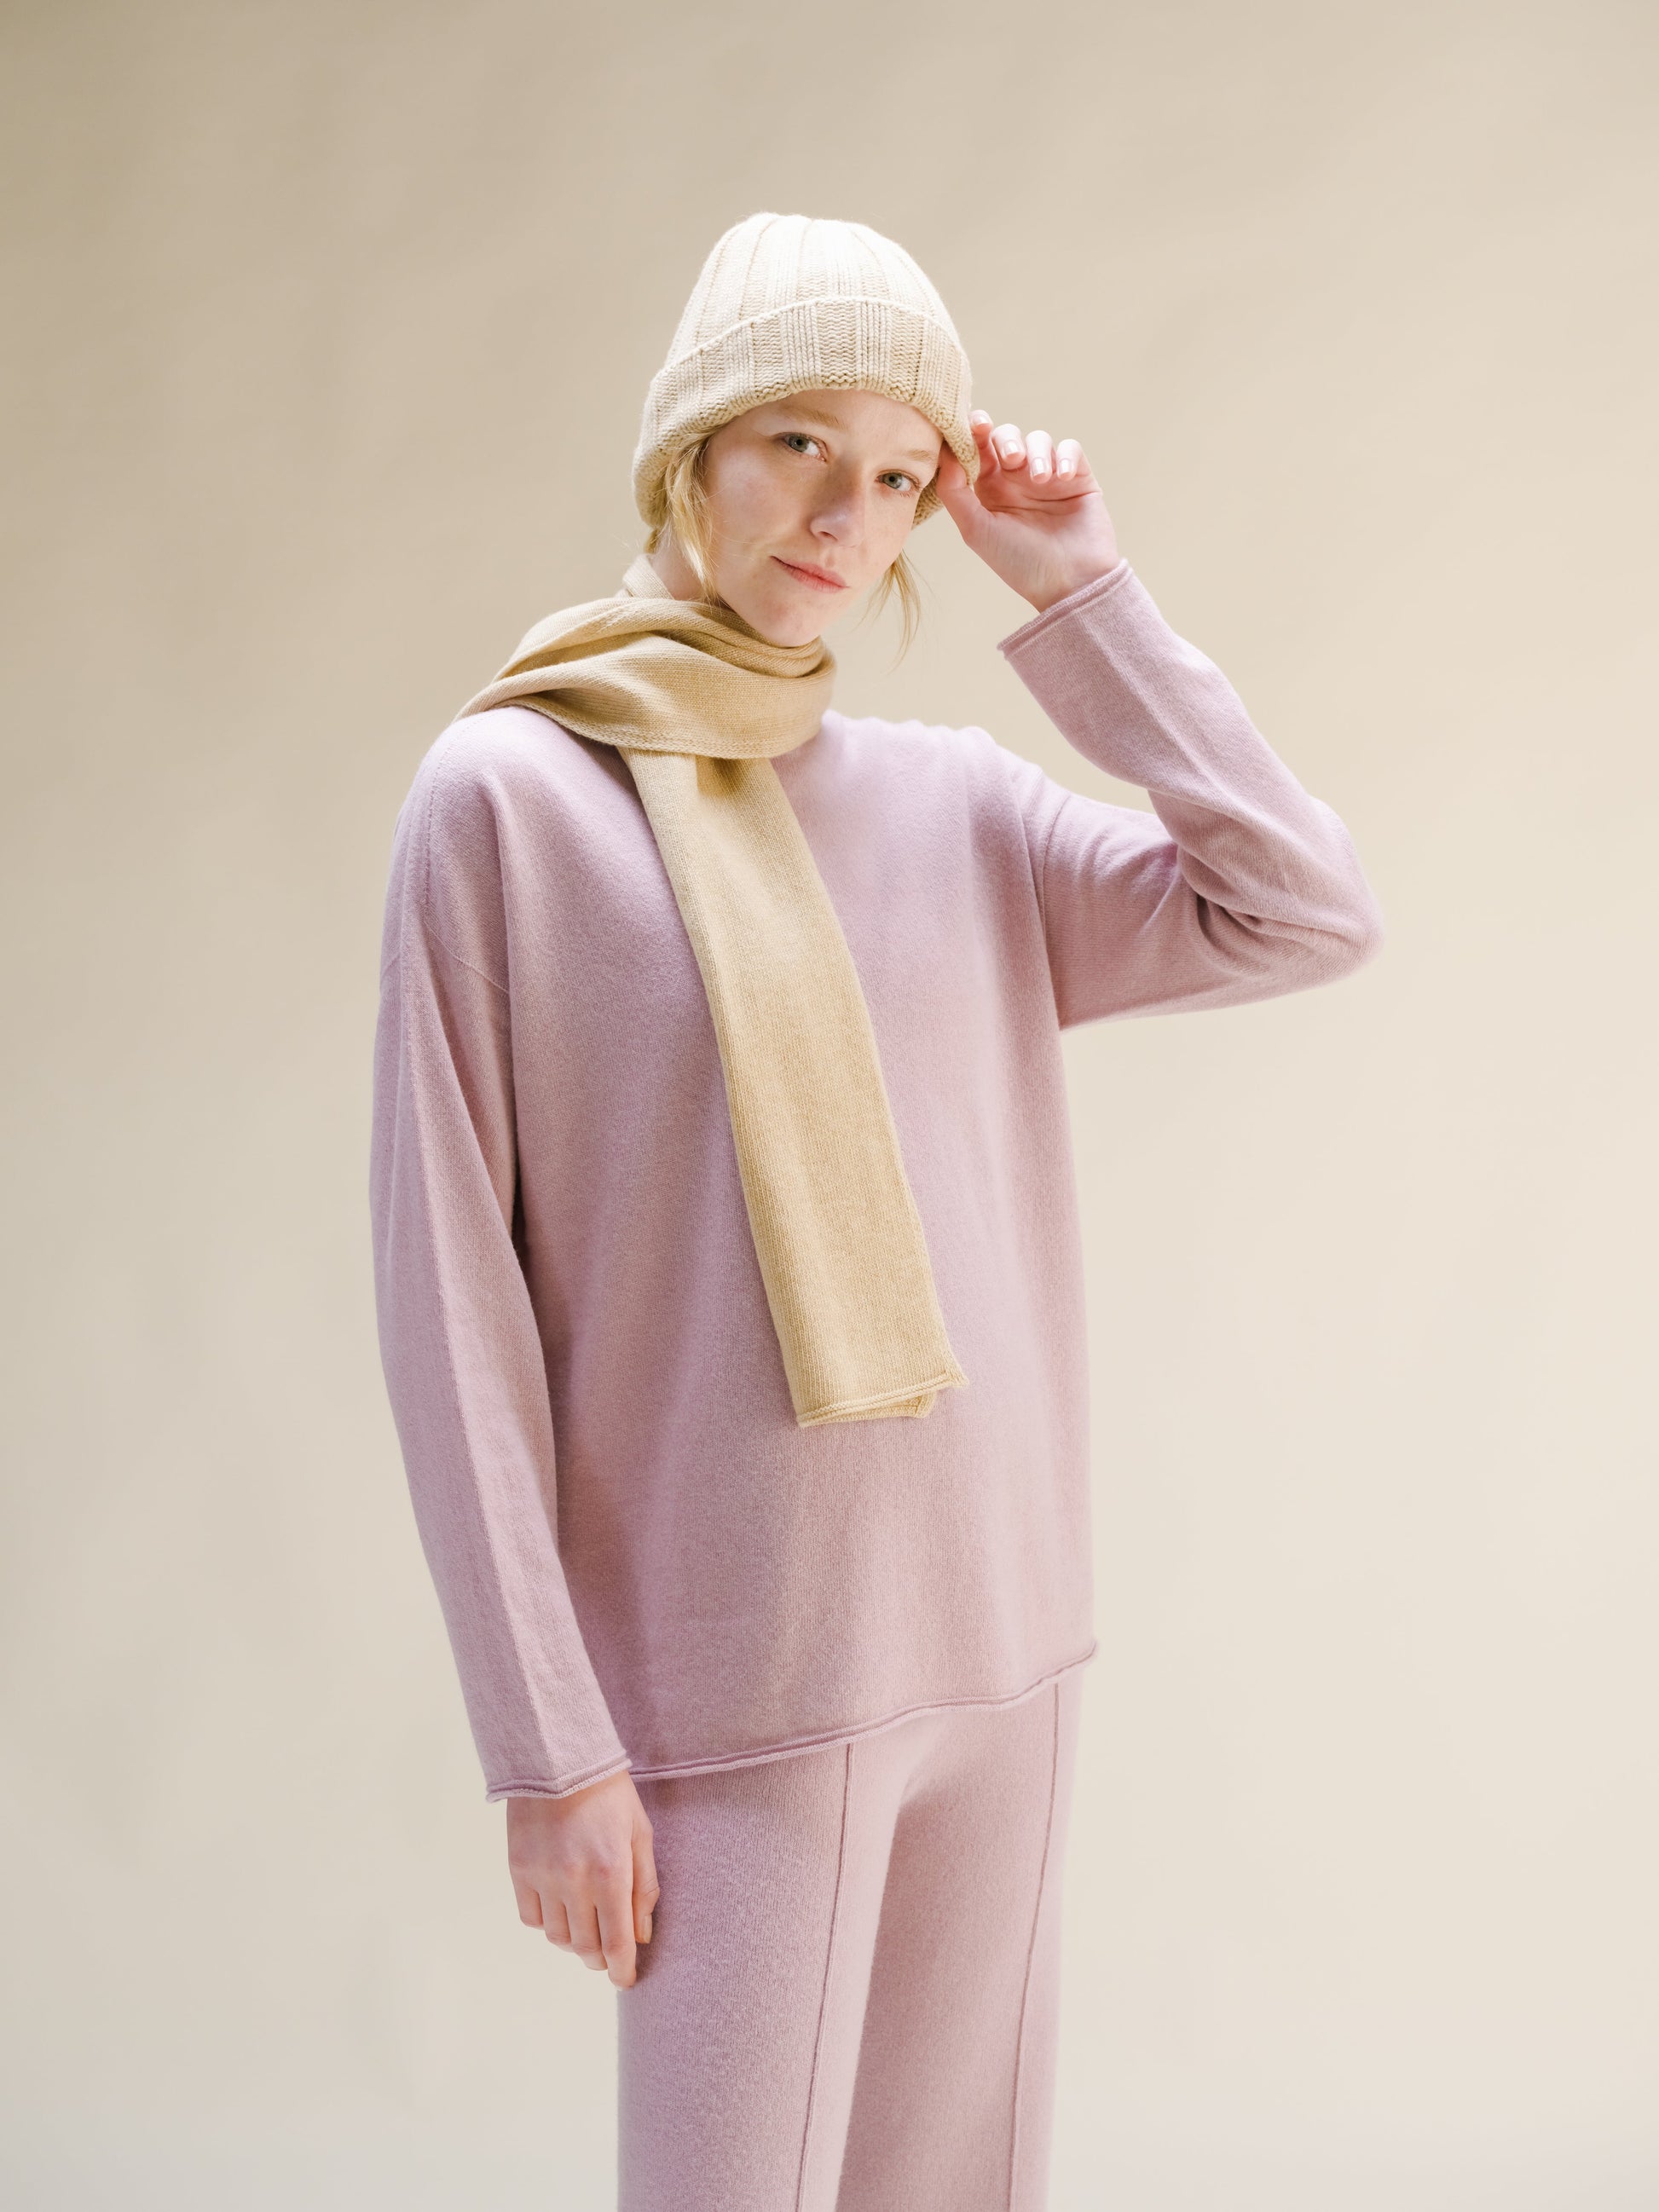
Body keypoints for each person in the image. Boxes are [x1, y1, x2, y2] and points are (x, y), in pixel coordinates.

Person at [368, 211, 1384, 2211]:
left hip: (1001, 1642)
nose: (851, 514)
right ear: (692, 448)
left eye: (904, 473)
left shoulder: (956, 805)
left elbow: (1301, 907)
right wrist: (546, 1745)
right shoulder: (504, 801)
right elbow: (447, 1303)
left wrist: (1081, 590)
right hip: (727, 1678)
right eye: (800, 445)